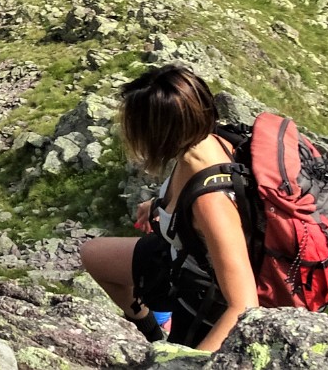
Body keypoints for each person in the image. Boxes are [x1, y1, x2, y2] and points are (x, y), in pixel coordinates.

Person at [79, 64, 258, 352]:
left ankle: (168, 338)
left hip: (205, 296)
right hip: (183, 254)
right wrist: (160, 205)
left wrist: (188, 362)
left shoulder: (211, 205)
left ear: (159, 134)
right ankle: (151, 332)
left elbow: (243, 305)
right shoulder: (210, 139)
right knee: (94, 255)